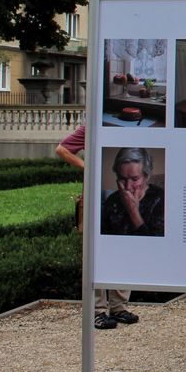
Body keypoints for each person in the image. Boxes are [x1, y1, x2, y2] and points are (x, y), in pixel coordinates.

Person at [55, 126, 140, 331]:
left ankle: (119, 307)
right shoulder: (90, 127)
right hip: (95, 201)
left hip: (121, 202)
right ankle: (97, 311)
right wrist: (87, 167)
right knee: (96, 254)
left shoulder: (129, 132)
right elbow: (62, 149)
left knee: (121, 250)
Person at [101, 147, 165, 237]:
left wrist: (133, 212)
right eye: (122, 179)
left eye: (135, 179)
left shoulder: (162, 198)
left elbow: (155, 246)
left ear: (147, 177)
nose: (128, 187)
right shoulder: (111, 201)